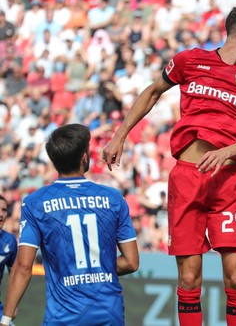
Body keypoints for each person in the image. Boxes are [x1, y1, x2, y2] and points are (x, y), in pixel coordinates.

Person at [102, 5, 236, 325]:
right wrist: (120, 136)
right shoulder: (189, 61)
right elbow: (153, 91)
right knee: (188, 279)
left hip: (229, 183)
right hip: (186, 180)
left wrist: (226, 152)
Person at [0, 124, 138, 326]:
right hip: (109, 312)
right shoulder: (113, 198)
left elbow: (22, 267)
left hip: (63, 317)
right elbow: (131, 262)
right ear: (84, 157)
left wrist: (6, 318)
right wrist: (97, 270)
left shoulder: (35, 203)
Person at [0, 195, 17, 322]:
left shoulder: (10, 240)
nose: (1, 214)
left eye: (4, 210)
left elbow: (14, 274)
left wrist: (13, 304)